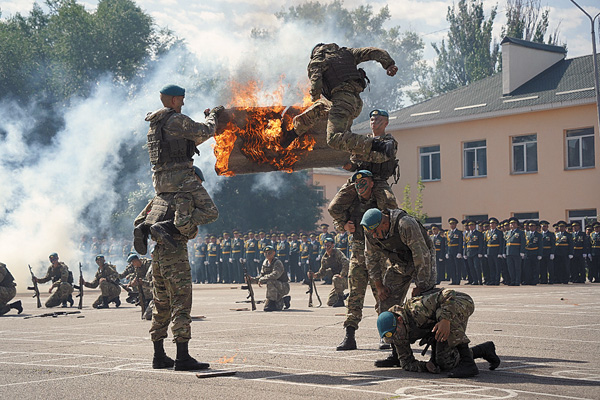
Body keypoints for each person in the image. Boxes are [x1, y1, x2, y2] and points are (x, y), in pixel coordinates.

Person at [134, 84, 222, 254]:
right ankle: (169, 226)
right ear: (174, 100)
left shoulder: (155, 125)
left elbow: (185, 143)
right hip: (180, 178)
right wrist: (213, 117)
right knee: (210, 211)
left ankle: (145, 226)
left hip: (159, 181)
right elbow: (205, 131)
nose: (182, 105)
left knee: (166, 208)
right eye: (181, 101)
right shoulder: (176, 119)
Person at [283, 43, 398, 160]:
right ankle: (292, 134)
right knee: (320, 107)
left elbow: (316, 85)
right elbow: (373, 52)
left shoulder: (317, 61)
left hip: (341, 102)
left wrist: (314, 96)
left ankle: (380, 145)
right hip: (355, 103)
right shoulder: (347, 53)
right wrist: (389, 64)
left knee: (334, 138)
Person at [361, 207, 437, 367]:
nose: (374, 236)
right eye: (371, 233)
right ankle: (398, 353)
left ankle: (439, 352)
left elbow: (421, 254)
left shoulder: (405, 224)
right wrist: (379, 286)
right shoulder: (370, 230)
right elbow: (371, 259)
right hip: (398, 264)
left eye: (376, 231)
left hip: (422, 261)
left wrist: (421, 286)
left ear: (384, 221)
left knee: (426, 304)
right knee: (386, 303)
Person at [328, 170, 395, 351]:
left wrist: (380, 185)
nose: (360, 185)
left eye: (364, 181)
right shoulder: (351, 202)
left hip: (377, 255)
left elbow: (392, 207)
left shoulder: (379, 200)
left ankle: (386, 335)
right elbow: (335, 212)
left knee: (381, 296)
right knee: (354, 297)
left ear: (372, 183)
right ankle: (350, 336)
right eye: (356, 183)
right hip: (357, 255)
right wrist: (343, 226)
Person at [377, 288, 500, 378]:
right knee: (445, 362)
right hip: (437, 319)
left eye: (395, 333)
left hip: (458, 301)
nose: (396, 337)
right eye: (391, 337)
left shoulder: (417, 309)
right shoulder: (396, 333)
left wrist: (445, 320)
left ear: (400, 320)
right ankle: (485, 349)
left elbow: (448, 293)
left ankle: (468, 364)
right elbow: (406, 362)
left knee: (442, 315)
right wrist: (425, 366)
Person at [308, 238, 349, 307]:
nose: (327, 247)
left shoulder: (337, 253)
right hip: (338, 282)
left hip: (346, 278)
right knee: (330, 302)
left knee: (336, 278)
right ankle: (343, 296)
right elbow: (322, 272)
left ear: (333, 245)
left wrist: (342, 274)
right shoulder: (324, 258)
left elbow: (346, 263)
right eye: (325, 245)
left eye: (329, 245)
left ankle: (341, 300)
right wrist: (314, 275)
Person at [248, 246, 291, 312]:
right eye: (266, 253)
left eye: (269, 253)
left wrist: (263, 279)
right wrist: (252, 279)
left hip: (283, 286)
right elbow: (262, 275)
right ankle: (283, 300)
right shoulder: (265, 262)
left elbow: (275, 275)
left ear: (274, 253)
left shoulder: (277, 262)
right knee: (276, 307)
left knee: (270, 281)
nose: (267, 255)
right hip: (274, 288)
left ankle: (272, 301)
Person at [504, 218, 525, 286]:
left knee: (517, 268)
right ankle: (512, 280)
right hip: (509, 252)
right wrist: (504, 252)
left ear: (517, 225)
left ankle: (517, 281)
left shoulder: (520, 232)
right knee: (510, 268)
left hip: (516, 252)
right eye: (511, 224)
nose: (512, 225)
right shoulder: (507, 233)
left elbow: (523, 242)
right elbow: (505, 243)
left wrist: (522, 251)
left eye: (514, 223)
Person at [485, 217, 504, 286]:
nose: (492, 225)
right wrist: (485, 252)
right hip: (489, 252)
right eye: (490, 223)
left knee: (497, 267)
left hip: (496, 252)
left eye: (493, 223)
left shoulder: (499, 232)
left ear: (496, 224)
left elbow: (501, 243)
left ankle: (497, 280)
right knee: (491, 267)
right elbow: (485, 243)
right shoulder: (487, 232)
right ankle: (492, 280)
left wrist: (500, 253)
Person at [464, 220, 484, 285]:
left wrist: (480, 252)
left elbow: (481, 244)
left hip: (476, 252)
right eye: (470, 225)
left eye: (472, 225)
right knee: (471, 267)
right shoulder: (467, 234)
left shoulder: (478, 233)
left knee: (477, 267)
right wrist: (465, 253)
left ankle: (480, 280)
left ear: (475, 226)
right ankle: (475, 280)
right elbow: (465, 244)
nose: (471, 227)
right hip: (469, 252)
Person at [523, 221, 543, 285]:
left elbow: (540, 245)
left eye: (533, 226)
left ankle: (535, 281)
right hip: (527, 253)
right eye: (530, 226)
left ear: (535, 227)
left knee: (535, 268)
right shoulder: (526, 234)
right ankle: (527, 280)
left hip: (534, 252)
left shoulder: (539, 235)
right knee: (527, 268)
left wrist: (540, 254)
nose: (531, 227)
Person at [445, 218, 464, 285]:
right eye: (451, 224)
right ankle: (453, 280)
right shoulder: (448, 233)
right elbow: (446, 243)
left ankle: (458, 280)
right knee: (452, 267)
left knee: (457, 267)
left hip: (456, 251)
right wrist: (447, 252)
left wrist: (459, 252)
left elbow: (460, 243)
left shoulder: (459, 233)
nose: (452, 225)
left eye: (453, 224)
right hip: (450, 251)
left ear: (456, 225)